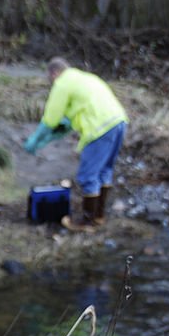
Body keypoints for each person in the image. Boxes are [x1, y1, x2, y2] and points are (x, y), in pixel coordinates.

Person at [24, 57, 128, 231]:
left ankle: (87, 222)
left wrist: (34, 140)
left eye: (50, 79)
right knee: (105, 170)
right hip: (119, 122)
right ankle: (99, 216)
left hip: (99, 128)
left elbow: (50, 119)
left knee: (87, 175)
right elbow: (79, 110)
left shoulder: (63, 83)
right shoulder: (86, 78)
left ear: (54, 73)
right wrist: (61, 130)